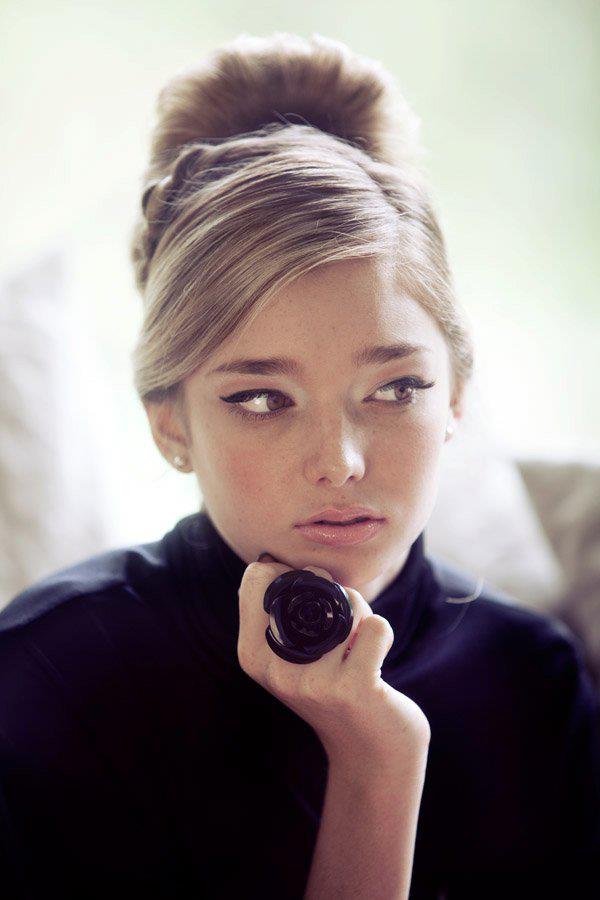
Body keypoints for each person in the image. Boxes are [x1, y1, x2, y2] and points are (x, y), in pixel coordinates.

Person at [1, 31, 598, 900]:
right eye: (262, 400)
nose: (340, 463)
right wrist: (376, 768)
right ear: (170, 425)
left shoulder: (533, 677)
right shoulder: (46, 680)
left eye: (394, 389)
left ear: (457, 398)